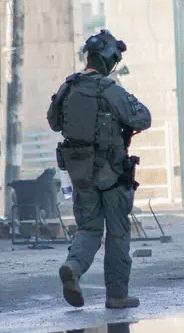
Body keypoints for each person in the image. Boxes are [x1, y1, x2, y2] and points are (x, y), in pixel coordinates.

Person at [47, 29, 152, 309]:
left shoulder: (68, 87)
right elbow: (143, 118)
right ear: (108, 61)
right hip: (112, 174)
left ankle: (73, 266)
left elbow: (54, 122)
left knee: (89, 228)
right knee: (118, 231)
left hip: (80, 174)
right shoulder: (110, 89)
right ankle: (116, 294)